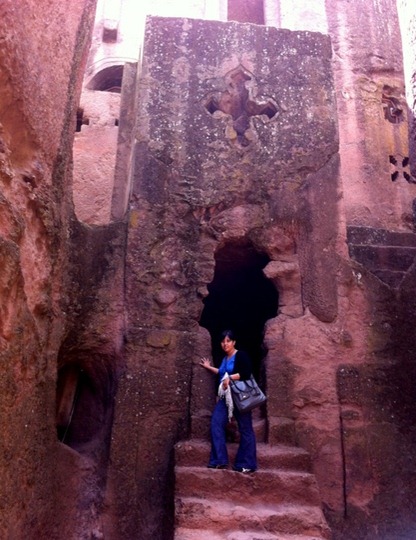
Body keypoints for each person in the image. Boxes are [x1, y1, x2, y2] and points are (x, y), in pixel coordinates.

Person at [200, 329, 257, 473]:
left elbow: (246, 373)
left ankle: (246, 464)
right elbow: (221, 372)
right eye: (222, 341)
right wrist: (208, 367)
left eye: (228, 341)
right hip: (226, 398)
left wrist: (230, 378)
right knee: (216, 423)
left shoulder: (240, 355)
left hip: (240, 396)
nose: (225, 344)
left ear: (234, 342)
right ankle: (219, 460)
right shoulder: (225, 359)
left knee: (245, 429)